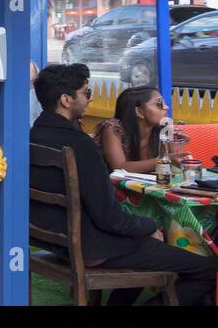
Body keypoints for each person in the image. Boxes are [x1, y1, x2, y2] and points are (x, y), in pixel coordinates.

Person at [31, 63, 217, 306]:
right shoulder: (80, 145)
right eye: (87, 93)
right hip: (91, 247)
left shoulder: (34, 135)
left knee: (144, 247)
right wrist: (149, 225)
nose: (89, 100)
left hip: (54, 240)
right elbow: (109, 218)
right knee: (203, 269)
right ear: (66, 100)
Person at [94, 86, 168, 174]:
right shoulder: (113, 128)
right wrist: (166, 160)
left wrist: (174, 150)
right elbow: (119, 167)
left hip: (143, 185)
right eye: (159, 104)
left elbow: (171, 168)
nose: (166, 107)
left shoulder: (161, 129)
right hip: (113, 185)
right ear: (139, 112)